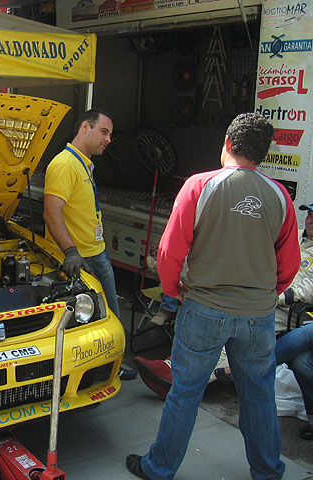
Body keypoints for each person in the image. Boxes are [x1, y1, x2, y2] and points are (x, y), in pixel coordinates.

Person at [126, 112, 301, 480]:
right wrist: (262, 295)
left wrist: (173, 291)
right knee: (259, 396)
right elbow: (289, 265)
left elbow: (169, 253)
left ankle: (159, 469)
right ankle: (268, 472)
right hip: (258, 317)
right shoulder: (279, 196)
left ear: (228, 143)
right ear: (263, 154)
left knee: (185, 392)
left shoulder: (200, 185)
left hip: (204, 308)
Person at [135, 203, 313, 405]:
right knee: (210, 304)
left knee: (235, 324)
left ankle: (180, 378)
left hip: (285, 307)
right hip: (257, 290)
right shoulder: (293, 235)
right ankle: (173, 366)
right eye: (309, 214)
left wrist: (278, 296)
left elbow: (310, 288)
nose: (311, 220)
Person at [43, 108, 137, 380]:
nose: (108, 139)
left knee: (110, 318)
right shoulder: (64, 164)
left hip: (96, 253)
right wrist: (71, 251)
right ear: (85, 127)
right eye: (104, 132)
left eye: (110, 134)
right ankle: (98, 371)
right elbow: (51, 213)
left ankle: (111, 366)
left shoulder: (83, 163)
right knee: (93, 321)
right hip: (81, 260)